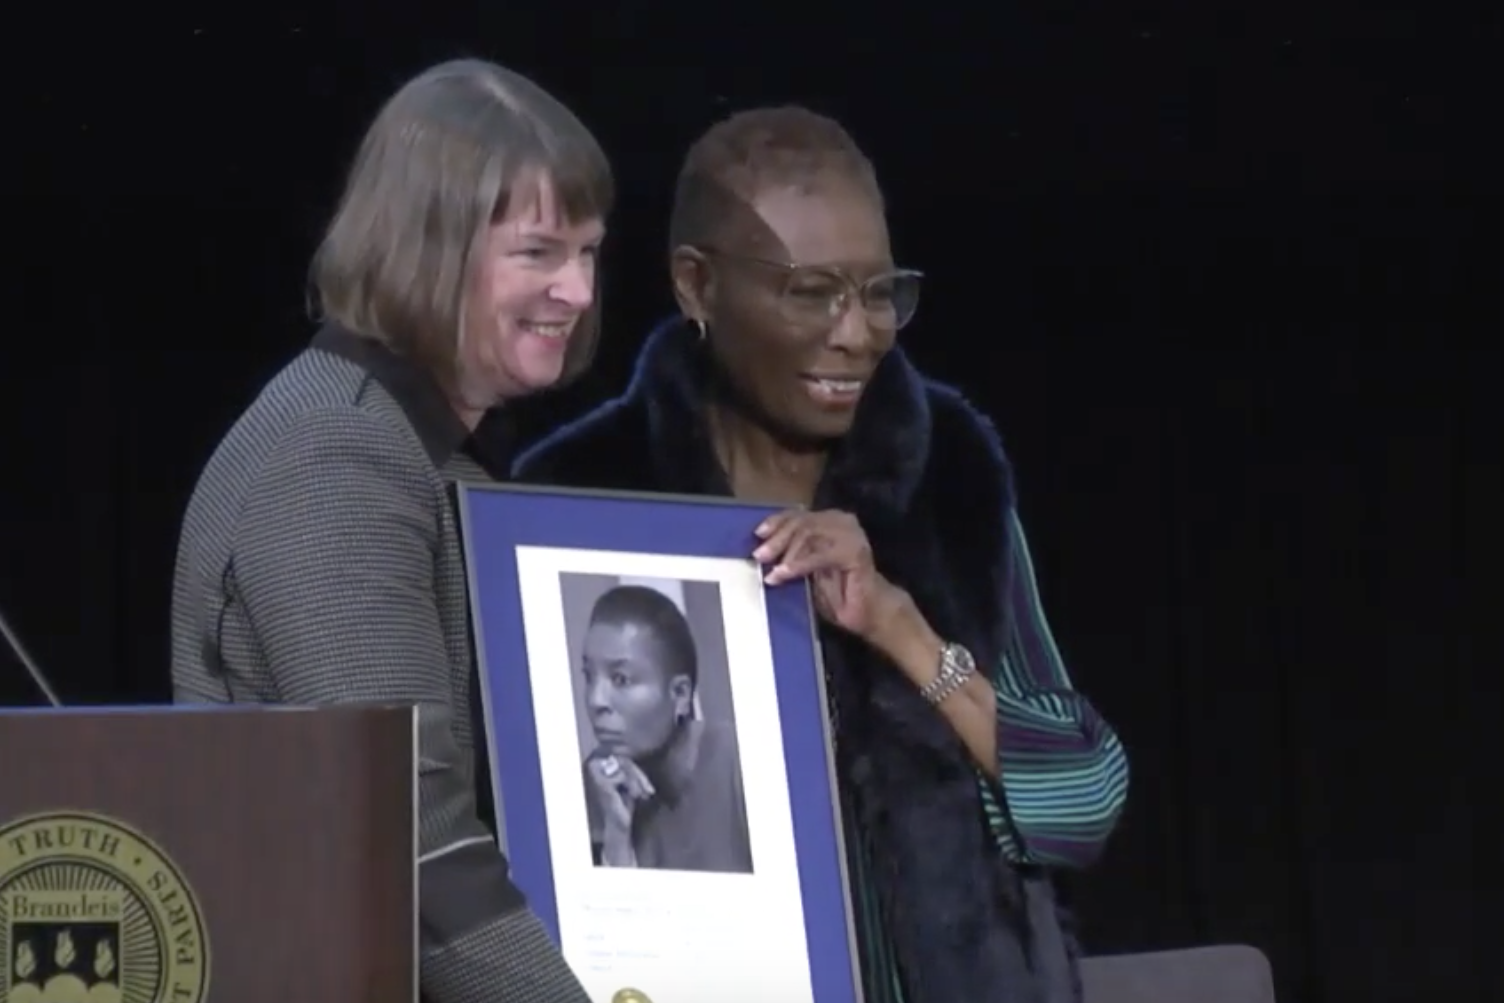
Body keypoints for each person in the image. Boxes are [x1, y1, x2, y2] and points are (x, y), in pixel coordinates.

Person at [514, 107, 1130, 1003]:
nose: (858, 333)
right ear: (697, 285)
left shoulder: (948, 477)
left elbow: (1083, 806)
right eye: (814, 292)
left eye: (881, 292)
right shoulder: (573, 498)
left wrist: (902, 628)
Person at [170, 59, 610, 1003]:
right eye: (538, 253)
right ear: (427, 248)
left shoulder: (430, 449)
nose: (575, 291)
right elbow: (414, 836)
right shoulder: (335, 453)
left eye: (588, 252)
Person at [576, 585, 753, 874]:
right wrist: (616, 836)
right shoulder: (597, 785)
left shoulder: (739, 762)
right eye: (588, 676)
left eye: (620, 679)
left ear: (680, 695)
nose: (596, 700)